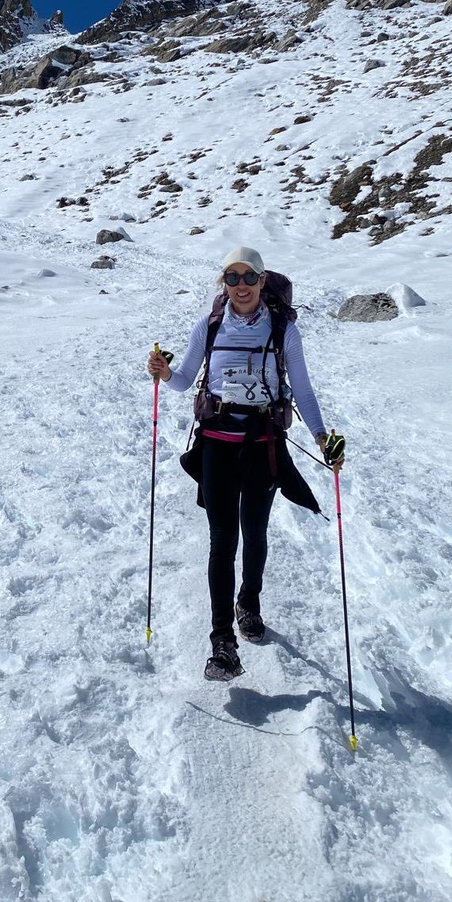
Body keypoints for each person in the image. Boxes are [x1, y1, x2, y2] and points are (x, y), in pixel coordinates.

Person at [146, 247, 340, 682]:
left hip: (261, 445)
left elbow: (303, 390)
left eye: (249, 277)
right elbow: (183, 381)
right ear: (224, 284)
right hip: (215, 445)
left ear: (262, 280)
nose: (241, 286)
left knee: (254, 532)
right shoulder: (210, 325)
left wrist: (321, 438)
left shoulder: (283, 330)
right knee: (222, 540)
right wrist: (164, 373)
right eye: (231, 278)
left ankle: (248, 602)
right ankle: (222, 643)